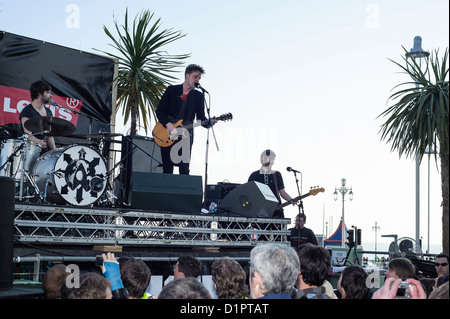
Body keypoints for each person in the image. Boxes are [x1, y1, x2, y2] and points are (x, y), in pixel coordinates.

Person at [155, 64, 216, 175]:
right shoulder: (171, 90)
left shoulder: (199, 96)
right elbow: (159, 111)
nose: (197, 80)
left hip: (185, 135)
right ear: (187, 76)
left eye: (199, 78)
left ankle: (182, 192)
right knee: (167, 169)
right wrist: (168, 125)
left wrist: (210, 123)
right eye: (195, 77)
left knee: (184, 169)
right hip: (167, 132)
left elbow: (201, 118)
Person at [248, 149, 297, 218]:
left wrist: (290, 199)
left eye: (272, 159)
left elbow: (282, 192)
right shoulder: (254, 175)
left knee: (280, 229)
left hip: (277, 212)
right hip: (260, 213)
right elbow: (249, 194)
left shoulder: (277, 174)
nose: (271, 161)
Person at [18, 80, 56, 152]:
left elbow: (49, 135)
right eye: (48, 92)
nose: (51, 95)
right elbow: (28, 135)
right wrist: (39, 142)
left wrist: (54, 151)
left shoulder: (48, 112)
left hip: (44, 153)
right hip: (30, 150)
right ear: (39, 94)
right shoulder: (27, 111)